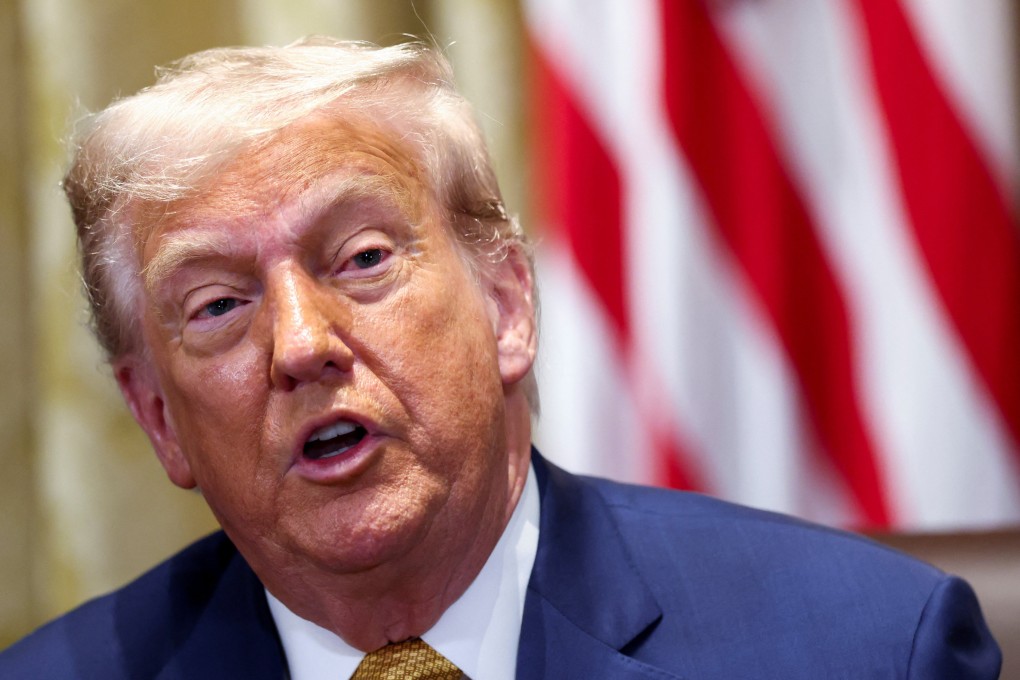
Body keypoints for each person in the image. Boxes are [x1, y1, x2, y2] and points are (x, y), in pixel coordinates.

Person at [0, 37, 1001, 679]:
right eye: (217, 303)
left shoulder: (863, 648)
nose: (302, 344)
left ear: (508, 303)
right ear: (161, 419)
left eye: (362, 258)